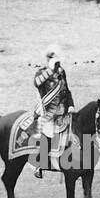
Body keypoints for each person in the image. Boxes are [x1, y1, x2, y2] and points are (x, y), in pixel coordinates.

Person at [33, 46, 73, 178]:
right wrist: (50, 71)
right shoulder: (42, 72)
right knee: (48, 131)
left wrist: (71, 105)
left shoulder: (62, 72)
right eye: (52, 59)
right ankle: (41, 164)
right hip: (48, 111)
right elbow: (37, 83)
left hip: (62, 109)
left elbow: (67, 90)